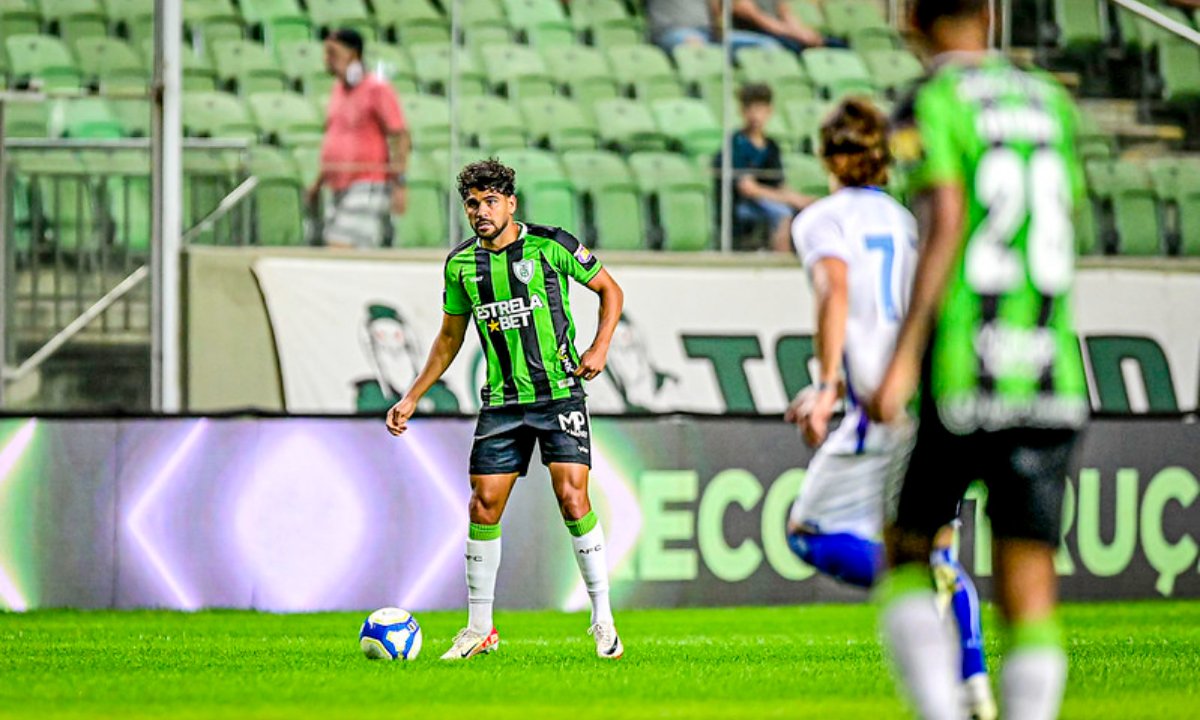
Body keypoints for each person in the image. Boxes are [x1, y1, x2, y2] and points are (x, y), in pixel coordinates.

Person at [867, 0, 1089, 717]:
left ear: (910, 18)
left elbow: (948, 222)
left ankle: (939, 711)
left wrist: (904, 358)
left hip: (964, 366)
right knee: (1029, 581)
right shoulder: (1050, 100)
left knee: (904, 550)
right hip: (1049, 367)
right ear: (989, 15)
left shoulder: (928, 102)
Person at [785, 97, 996, 720]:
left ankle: (933, 591)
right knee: (936, 542)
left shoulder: (820, 220)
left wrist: (826, 381)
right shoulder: (909, 221)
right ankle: (975, 682)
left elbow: (835, 286)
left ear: (828, 157)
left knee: (809, 531)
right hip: (935, 393)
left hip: (878, 401)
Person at [385, 159, 627, 661]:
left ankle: (602, 618)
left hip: (559, 390)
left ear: (511, 203)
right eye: (472, 203)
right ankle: (480, 628)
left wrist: (600, 347)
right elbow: (450, 337)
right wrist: (412, 394)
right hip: (502, 402)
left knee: (571, 496)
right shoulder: (461, 266)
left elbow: (610, 290)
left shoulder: (549, 245)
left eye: (490, 201)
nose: (480, 211)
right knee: (482, 505)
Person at [306, 28, 410, 249]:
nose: (327, 60)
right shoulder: (337, 90)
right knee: (336, 248)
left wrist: (399, 184)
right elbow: (335, 138)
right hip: (337, 184)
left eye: (333, 53)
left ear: (353, 55)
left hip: (367, 182)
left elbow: (399, 135)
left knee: (340, 245)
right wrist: (318, 182)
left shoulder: (377, 88)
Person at [717, 83, 814, 251]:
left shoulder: (772, 146)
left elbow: (779, 183)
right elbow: (748, 188)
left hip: (769, 199)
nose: (756, 116)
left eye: (760, 110)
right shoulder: (736, 143)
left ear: (769, 111)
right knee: (782, 213)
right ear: (743, 112)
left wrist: (801, 199)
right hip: (743, 206)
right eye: (751, 110)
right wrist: (789, 199)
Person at [646, 0, 781, 54]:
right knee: (696, 45)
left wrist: (719, 30)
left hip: (708, 33)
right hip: (672, 31)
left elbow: (717, 12)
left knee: (767, 45)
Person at [732, 0, 828, 53]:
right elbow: (766, 23)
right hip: (754, 33)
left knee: (831, 43)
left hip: (779, 31)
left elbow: (788, 16)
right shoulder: (741, 2)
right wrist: (799, 35)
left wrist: (805, 34)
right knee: (793, 47)